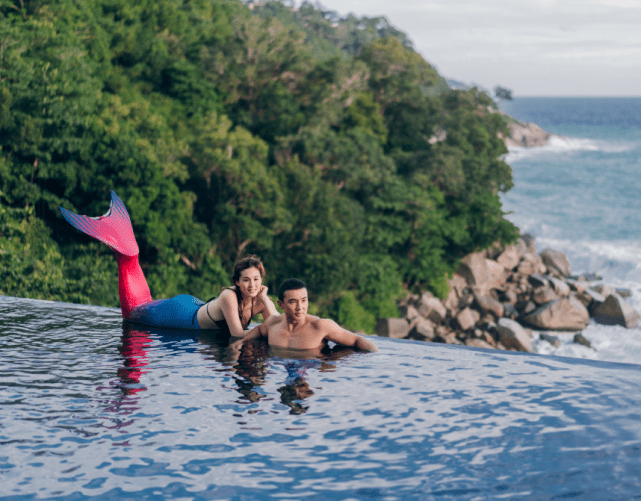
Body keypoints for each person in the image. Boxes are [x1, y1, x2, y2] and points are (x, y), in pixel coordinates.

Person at [59, 191, 277, 333]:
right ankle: (127, 254)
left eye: (256, 280)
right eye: (246, 280)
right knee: (132, 316)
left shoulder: (257, 299)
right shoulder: (230, 296)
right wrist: (264, 326)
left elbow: (279, 325)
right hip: (182, 314)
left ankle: (127, 252)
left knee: (140, 308)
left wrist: (265, 300)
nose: (252, 285)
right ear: (237, 282)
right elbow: (238, 335)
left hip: (194, 304)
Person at [234, 278, 378, 352]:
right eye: (293, 302)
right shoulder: (273, 323)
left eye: (304, 301)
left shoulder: (320, 326)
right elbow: (260, 329)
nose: (300, 307)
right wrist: (240, 343)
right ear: (281, 304)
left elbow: (357, 340)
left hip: (310, 370)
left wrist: (378, 358)